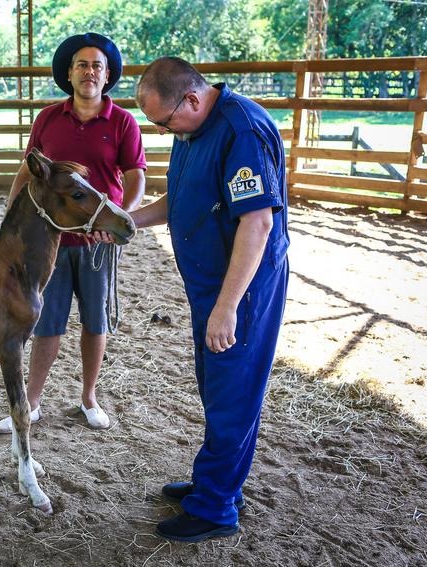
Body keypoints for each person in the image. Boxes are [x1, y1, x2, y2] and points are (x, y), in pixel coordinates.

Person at [129, 57, 289, 543]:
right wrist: (124, 222)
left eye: (163, 121)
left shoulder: (241, 130)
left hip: (241, 288)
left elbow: (257, 223)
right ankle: (215, 482)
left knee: (232, 393)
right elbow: (178, 202)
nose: (162, 131)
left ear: (192, 99)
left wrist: (228, 307)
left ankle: (216, 508)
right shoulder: (190, 132)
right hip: (208, 285)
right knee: (216, 387)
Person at [0, 33, 146, 433]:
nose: (90, 71)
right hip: (51, 239)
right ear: (69, 73)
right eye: (82, 64)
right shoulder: (47, 119)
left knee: (95, 322)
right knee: (48, 322)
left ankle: (88, 398)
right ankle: (32, 401)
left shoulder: (123, 122)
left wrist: (118, 221)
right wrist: (11, 215)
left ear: (107, 75)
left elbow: (136, 178)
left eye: (97, 65)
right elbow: (29, 171)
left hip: (98, 241)